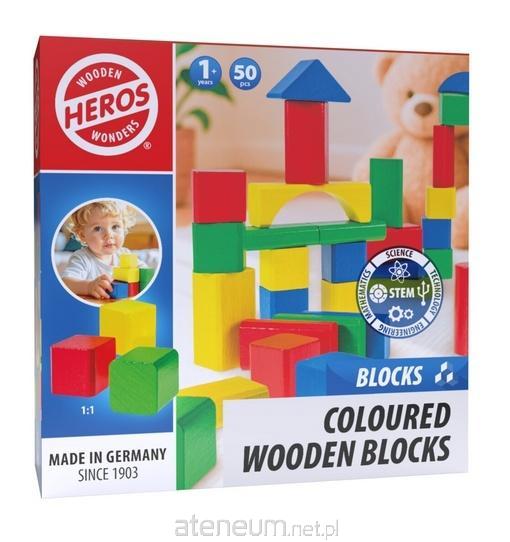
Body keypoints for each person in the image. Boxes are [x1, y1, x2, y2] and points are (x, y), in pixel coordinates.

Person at [62, 200, 144, 299]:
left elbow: (144, 272)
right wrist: (88, 287)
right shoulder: (82, 258)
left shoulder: (124, 254)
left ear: (124, 228)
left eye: (115, 226)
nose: (109, 235)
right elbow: (66, 282)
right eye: (98, 228)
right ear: (83, 235)